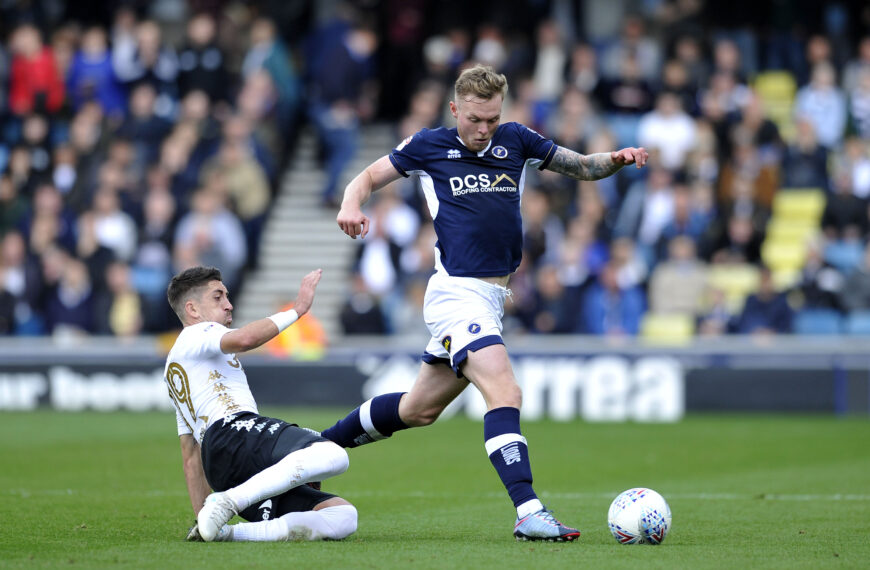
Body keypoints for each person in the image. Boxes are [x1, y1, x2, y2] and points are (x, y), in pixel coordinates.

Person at [323, 64, 648, 542]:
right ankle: (529, 511)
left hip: (492, 297)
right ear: (455, 109)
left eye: (491, 119)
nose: (483, 129)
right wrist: (351, 205)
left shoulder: (515, 139)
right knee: (505, 393)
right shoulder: (428, 145)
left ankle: (311, 452)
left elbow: (580, 165)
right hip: (457, 293)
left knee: (418, 410)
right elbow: (366, 178)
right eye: (475, 119)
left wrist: (615, 159)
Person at [163, 266, 357, 543]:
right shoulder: (198, 333)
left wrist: (202, 516)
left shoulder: (176, 368)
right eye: (218, 297)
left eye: (227, 296)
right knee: (334, 455)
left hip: (223, 465)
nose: (229, 305)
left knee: (343, 517)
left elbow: (191, 455)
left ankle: (228, 532)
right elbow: (246, 339)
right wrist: (298, 309)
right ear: (193, 310)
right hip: (234, 432)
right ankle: (228, 502)